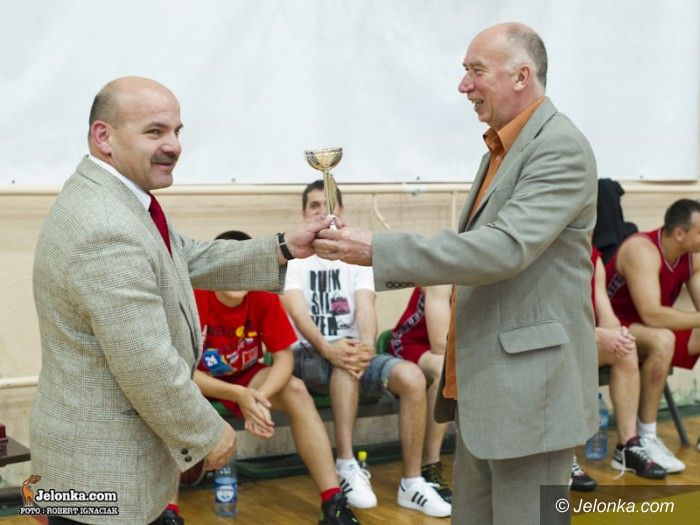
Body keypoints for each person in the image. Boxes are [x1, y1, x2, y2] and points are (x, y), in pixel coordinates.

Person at [314, 23, 598, 525]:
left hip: (532, 397)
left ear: (521, 76)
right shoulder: (502, 149)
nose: (463, 85)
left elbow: (503, 249)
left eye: (475, 71)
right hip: (490, 392)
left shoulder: (560, 148)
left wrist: (379, 249)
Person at [30, 77, 331, 525]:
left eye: (177, 131)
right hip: (103, 476)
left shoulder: (117, 198)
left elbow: (185, 255)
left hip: (98, 466)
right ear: (103, 136)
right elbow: (145, 362)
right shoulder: (106, 226)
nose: (173, 145)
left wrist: (284, 246)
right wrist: (208, 433)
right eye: (154, 131)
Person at [283, 180, 451, 518]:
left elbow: (366, 309)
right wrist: (330, 348)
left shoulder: (354, 260)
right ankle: (346, 464)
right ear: (304, 214)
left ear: (341, 212)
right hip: (308, 355)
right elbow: (299, 314)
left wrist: (365, 347)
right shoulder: (294, 261)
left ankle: (412, 482)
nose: (322, 211)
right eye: (314, 206)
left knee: (413, 378)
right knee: (344, 361)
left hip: (350, 353)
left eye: (328, 205)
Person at [183, 230, 358, 525]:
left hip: (247, 378)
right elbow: (181, 372)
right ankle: (168, 512)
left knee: (296, 390)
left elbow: (284, 359)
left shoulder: (263, 294)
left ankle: (333, 502)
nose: (238, 275)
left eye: (244, 266)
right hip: (197, 381)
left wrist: (258, 399)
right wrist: (240, 396)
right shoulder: (194, 296)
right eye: (231, 266)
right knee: (160, 400)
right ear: (216, 268)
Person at [605, 198, 700, 474]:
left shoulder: (691, 256)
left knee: (663, 337)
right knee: (663, 339)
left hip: (652, 329)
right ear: (680, 233)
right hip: (616, 326)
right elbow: (652, 315)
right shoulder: (642, 250)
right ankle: (646, 436)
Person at [571, 246, 666, 491]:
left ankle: (627, 447)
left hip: (586, 339)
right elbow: (552, 320)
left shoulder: (593, 257)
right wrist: (597, 335)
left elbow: (606, 313)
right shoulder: (547, 253)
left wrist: (617, 334)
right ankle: (561, 457)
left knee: (625, 350)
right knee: (567, 356)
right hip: (555, 344)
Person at [388, 285, 453, 502]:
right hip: (410, 343)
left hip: (454, 350)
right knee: (447, 370)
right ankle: (430, 465)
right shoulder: (442, 279)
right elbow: (440, 345)